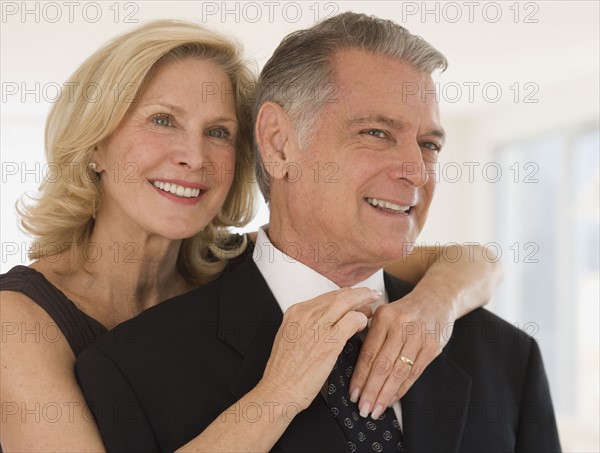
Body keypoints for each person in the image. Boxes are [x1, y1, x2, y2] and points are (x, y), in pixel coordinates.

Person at [0, 19, 503, 452]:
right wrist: (280, 391)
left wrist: (432, 308)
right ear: (95, 144)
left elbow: (471, 260)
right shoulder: (16, 322)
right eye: (163, 121)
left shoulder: (236, 262)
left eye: (218, 132)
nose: (194, 157)